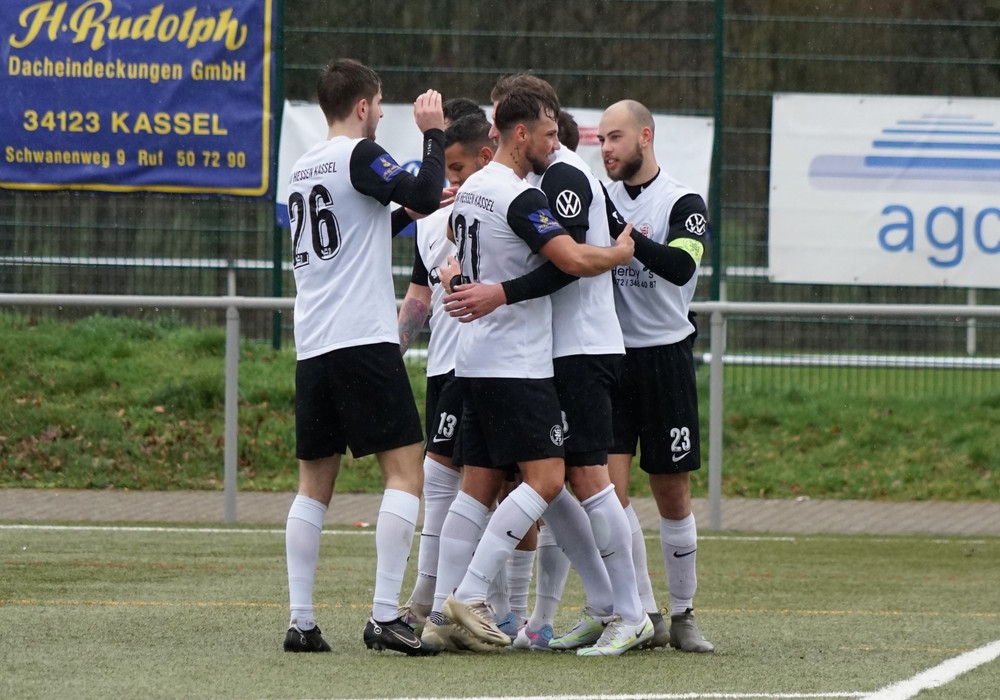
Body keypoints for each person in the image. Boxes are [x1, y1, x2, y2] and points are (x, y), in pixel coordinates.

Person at [428, 82, 635, 655]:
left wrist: (471, 282)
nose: (557, 141)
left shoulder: (472, 188)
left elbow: (453, 248)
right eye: (548, 132)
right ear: (520, 134)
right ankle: (472, 594)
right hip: (518, 362)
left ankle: (440, 614)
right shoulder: (519, 196)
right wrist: (619, 254)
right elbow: (571, 260)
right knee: (548, 480)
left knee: (479, 487)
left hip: (474, 359)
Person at [282, 58, 445, 656]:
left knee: (312, 487)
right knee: (405, 473)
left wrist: (405, 211)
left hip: (313, 345)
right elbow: (422, 190)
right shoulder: (358, 155)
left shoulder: (301, 168)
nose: (380, 114)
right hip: (362, 340)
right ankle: (383, 616)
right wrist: (433, 134)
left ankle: (301, 622)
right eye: (378, 104)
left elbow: (357, 225)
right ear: (361, 106)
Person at [598, 98, 715, 653]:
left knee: (672, 493)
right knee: (608, 494)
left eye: (616, 137)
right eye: (601, 139)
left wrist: (625, 238)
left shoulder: (683, 201)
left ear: (645, 137)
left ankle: (685, 613)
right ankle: (644, 612)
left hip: (666, 359)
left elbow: (680, 265)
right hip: (610, 360)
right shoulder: (597, 199)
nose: (607, 149)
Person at [395, 113, 496, 643]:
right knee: (454, 485)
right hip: (444, 366)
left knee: (472, 486)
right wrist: (392, 353)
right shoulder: (432, 218)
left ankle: (445, 604)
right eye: (447, 168)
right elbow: (421, 293)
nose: (449, 180)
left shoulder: (496, 208)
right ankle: (440, 602)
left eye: (457, 168)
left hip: (481, 365)